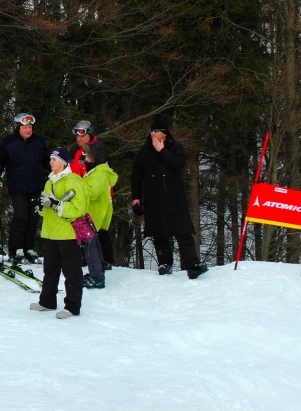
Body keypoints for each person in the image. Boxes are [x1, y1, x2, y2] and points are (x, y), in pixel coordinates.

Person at [131, 119, 208, 280]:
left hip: (175, 198)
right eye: (151, 131)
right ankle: (165, 263)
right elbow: (137, 174)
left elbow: (179, 164)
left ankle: (193, 264)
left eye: (156, 130)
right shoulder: (144, 150)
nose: (153, 133)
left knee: (183, 231)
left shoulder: (176, 147)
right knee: (159, 233)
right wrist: (136, 197)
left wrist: (162, 151)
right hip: (154, 198)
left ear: (164, 133)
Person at [31, 147, 88, 319]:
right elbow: (48, 210)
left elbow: (79, 209)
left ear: (63, 162)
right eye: (50, 159)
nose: (51, 162)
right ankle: (47, 301)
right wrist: (41, 207)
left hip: (68, 234)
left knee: (71, 271)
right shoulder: (50, 182)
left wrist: (55, 204)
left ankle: (72, 306)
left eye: (54, 159)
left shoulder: (73, 181)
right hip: (51, 233)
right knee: (50, 270)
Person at [0, 112, 50, 264]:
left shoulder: (39, 141)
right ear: (18, 127)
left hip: (36, 186)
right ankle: (15, 250)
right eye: (25, 127)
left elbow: (47, 161)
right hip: (17, 187)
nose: (28, 130)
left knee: (33, 218)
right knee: (21, 217)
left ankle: (28, 249)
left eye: (30, 127)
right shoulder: (8, 142)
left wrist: (46, 175)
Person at [70, 119, 114, 269]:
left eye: (82, 135)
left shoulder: (97, 148)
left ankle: (106, 259)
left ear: (90, 134)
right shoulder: (74, 150)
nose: (79, 139)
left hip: (96, 193)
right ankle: (86, 256)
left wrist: (90, 163)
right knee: (82, 226)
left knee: (98, 226)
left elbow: (102, 171)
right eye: (77, 136)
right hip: (78, 192)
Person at [80, 141, 118, 289]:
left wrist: (78, 188)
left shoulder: (100, 172)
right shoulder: (97, 171)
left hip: (94, 214)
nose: (86, 159)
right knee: (94, 245)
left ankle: (97, 276)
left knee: (90, 246)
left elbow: (93, 192)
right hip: (95, 213)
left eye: (88, 156)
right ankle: (98, 272)